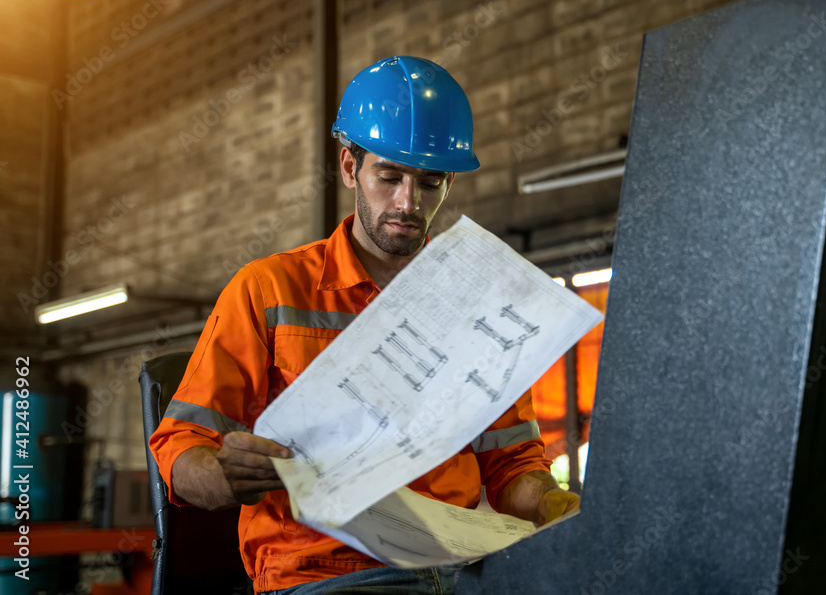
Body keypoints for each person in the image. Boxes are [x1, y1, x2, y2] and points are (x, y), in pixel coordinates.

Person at [149, 56, 579, 594]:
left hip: (458, 572)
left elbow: (511, 464)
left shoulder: (477, 308)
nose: (408, 202)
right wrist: (222, 475)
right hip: (322, 578)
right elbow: (180, 446)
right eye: (389, 175)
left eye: (429, 182)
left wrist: (550, 502)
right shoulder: (269, 289)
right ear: (350, 167)